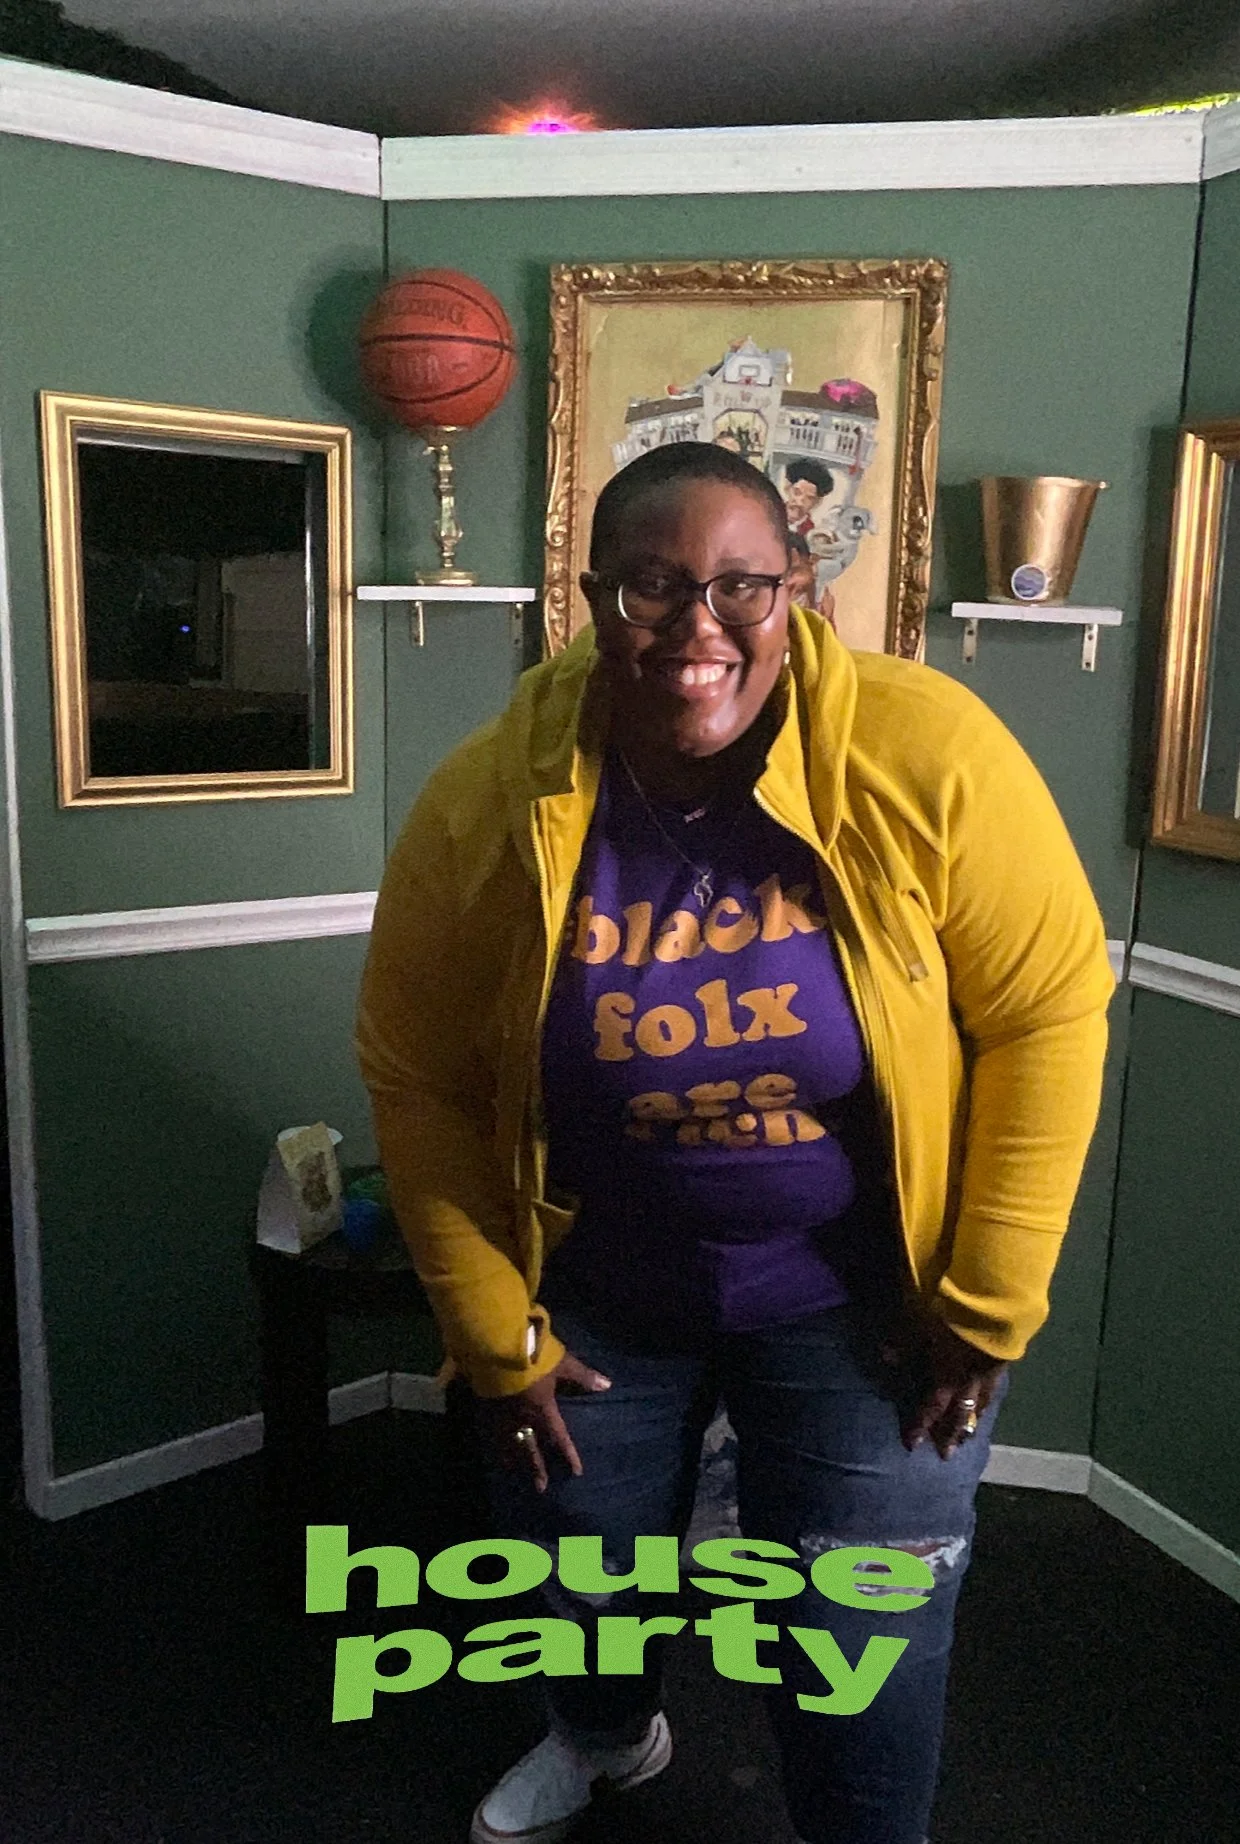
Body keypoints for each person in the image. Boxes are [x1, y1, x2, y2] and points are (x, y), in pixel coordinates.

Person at [357, 442, 1113, 1844]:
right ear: (592, 595)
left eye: (739, 586)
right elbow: (418, 1072)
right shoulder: (492, 792)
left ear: (795, 588)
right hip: (598, 1291)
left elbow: (1047, 1013)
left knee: (859, 1636)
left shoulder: (926, 751)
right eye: (651, 585)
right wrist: (487, 1326)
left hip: (863, 1299)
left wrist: (992, 1299)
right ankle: (605, 1738)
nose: (697, 625)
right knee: (582, 1573)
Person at [780, 454, 834, 536]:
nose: (800, 502)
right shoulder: (770, 514)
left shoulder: (811, 533)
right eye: (797, 492)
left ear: (817, 502)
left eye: (809, 498)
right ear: (787, 488)